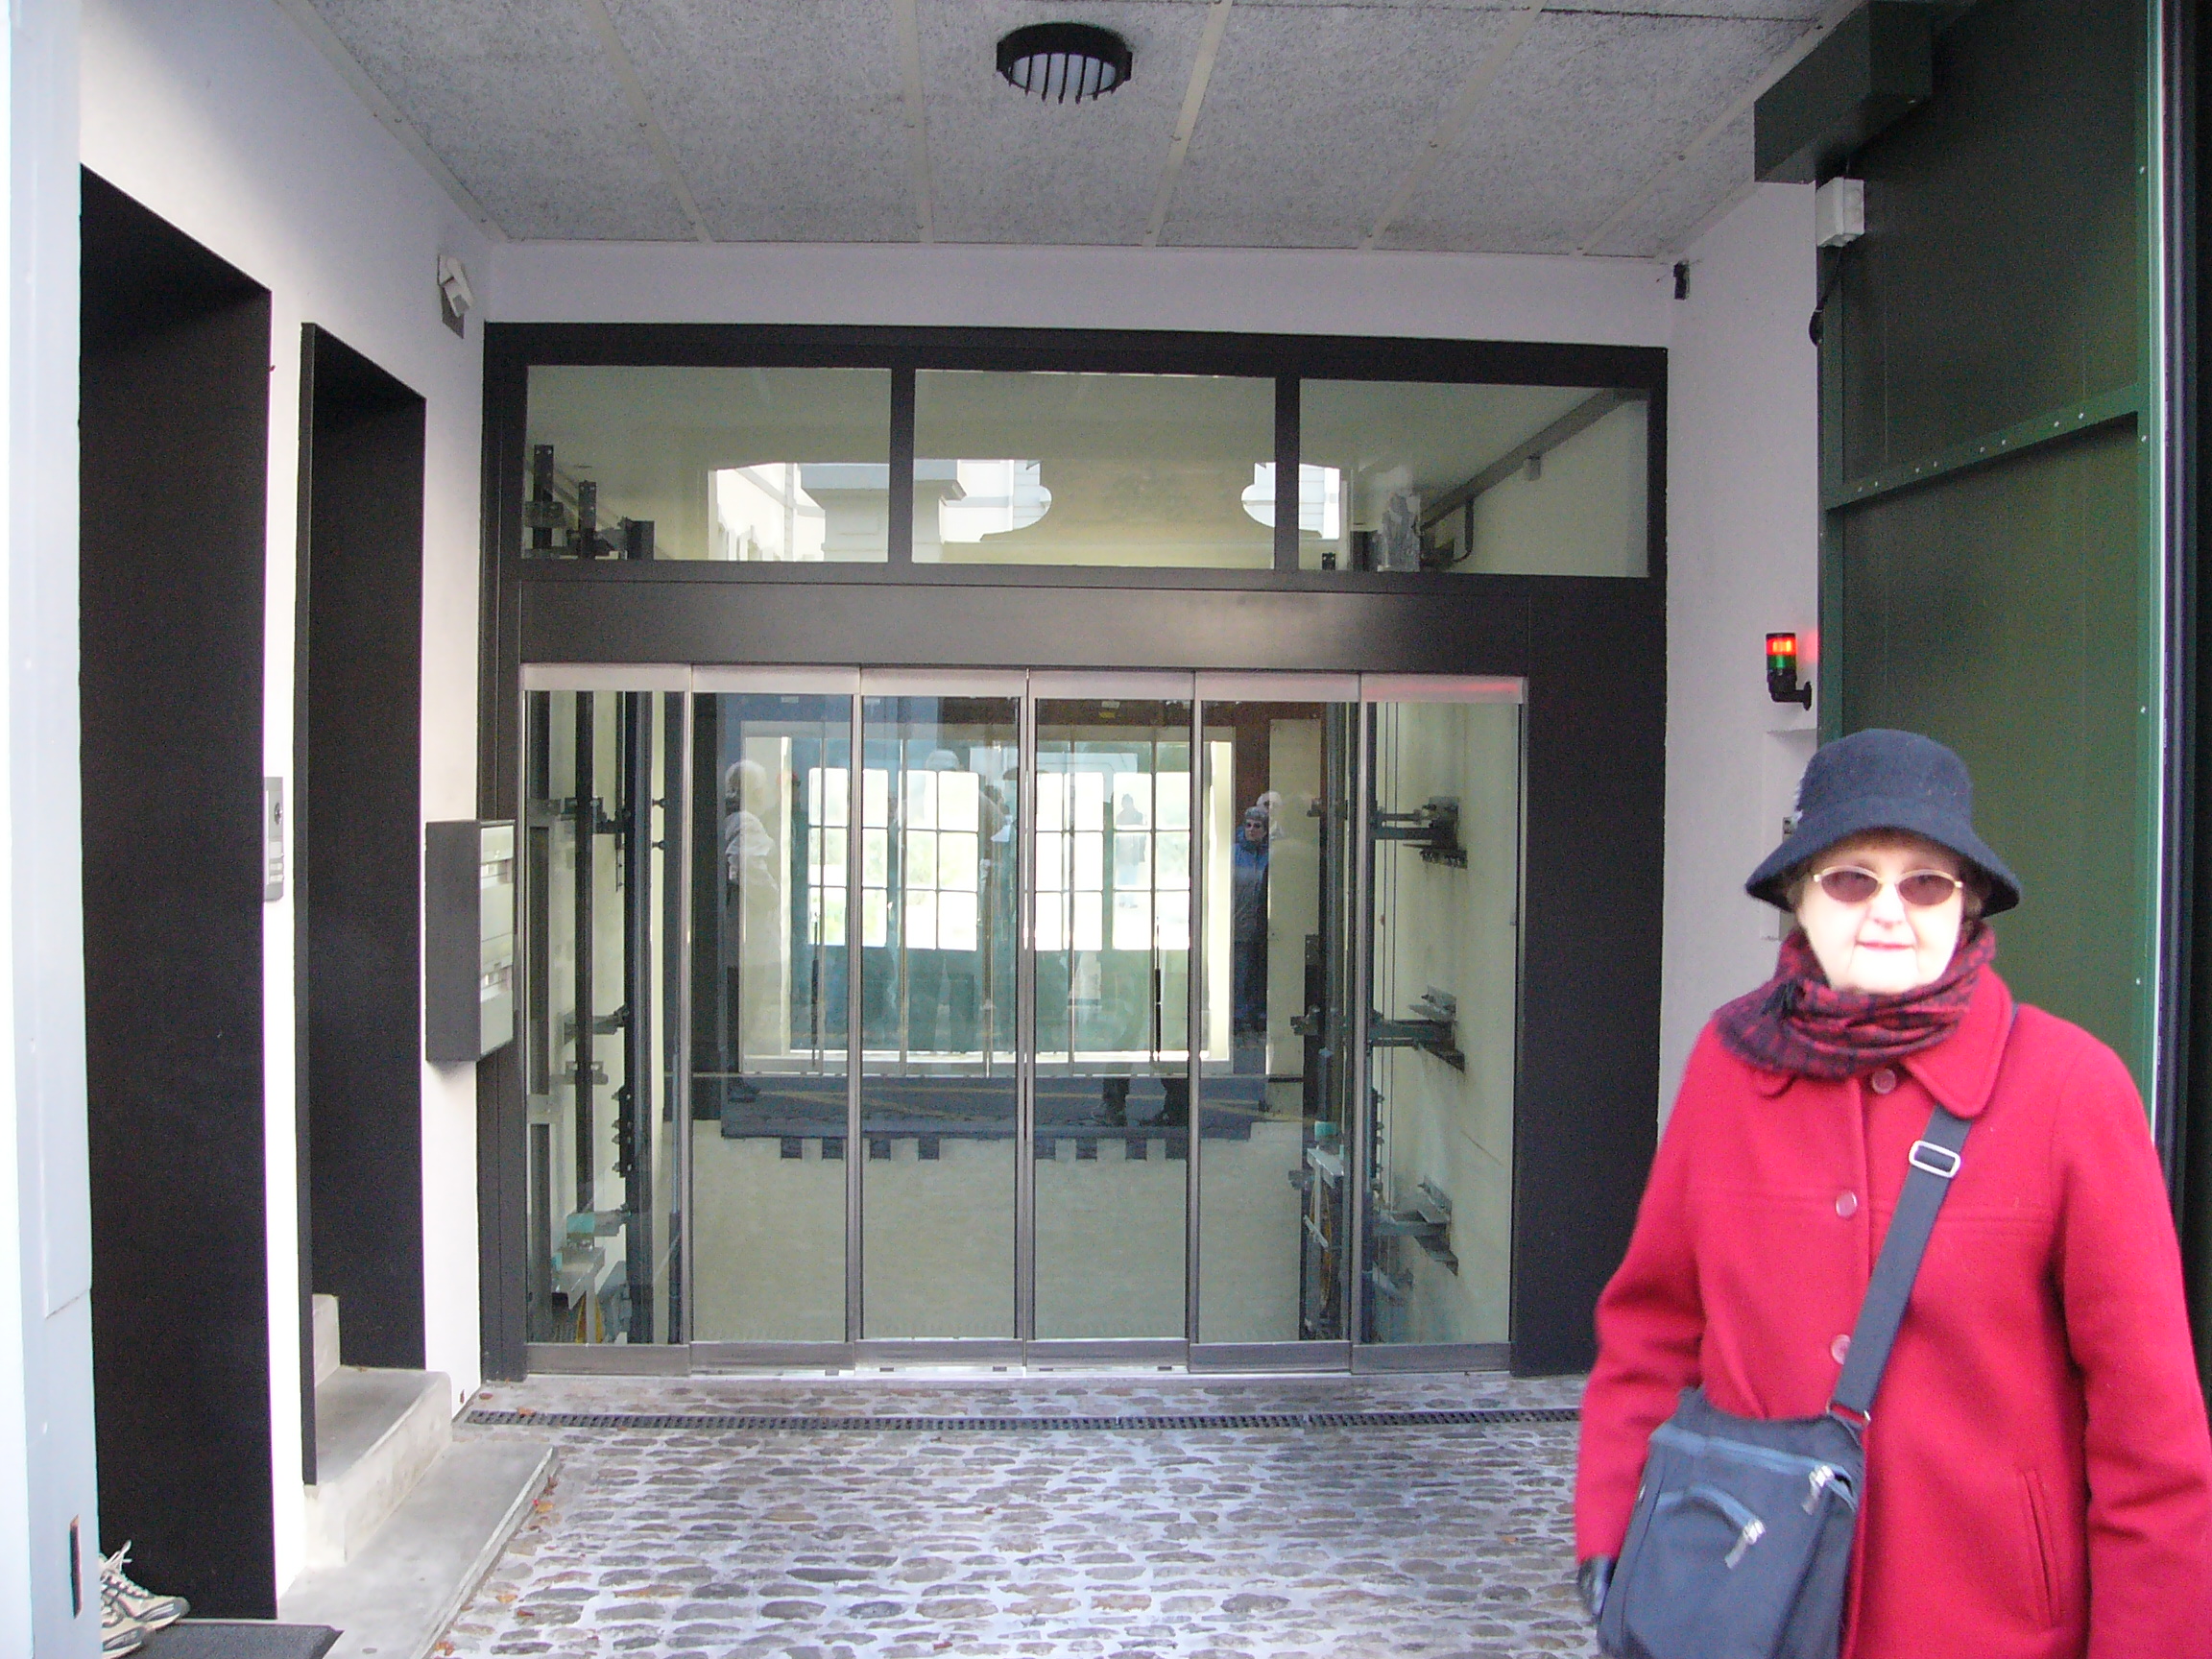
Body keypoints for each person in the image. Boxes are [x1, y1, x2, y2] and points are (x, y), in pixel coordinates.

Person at [1575, 728, 2212, 1657]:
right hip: (1752, 1612)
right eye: (1850, 879)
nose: (1887, 911)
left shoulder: (2072, 1088)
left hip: (1987, 1627)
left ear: (1968, 904)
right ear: (1799, 897)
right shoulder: (1728, 1064)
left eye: (1925, 884)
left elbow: (2148, 1433)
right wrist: (1612, 1533)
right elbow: (1652, 1330)